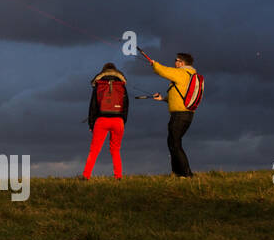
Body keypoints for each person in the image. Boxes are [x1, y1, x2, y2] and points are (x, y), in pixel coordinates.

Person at [138, 48, 199, 178]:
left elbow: (163, 71)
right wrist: (163, 99)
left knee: (174, 143)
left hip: (179, 115)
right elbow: (180, 97)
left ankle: (186, 174)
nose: (175, 62)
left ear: (182, 63)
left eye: (176, 60)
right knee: (173, 142)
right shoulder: (190, 76)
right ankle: (177, 172)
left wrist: (154, 64)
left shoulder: (182, 73)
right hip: (186, 114)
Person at [83, 63, 128, 179]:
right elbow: (126, 106)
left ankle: (86, 176)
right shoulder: (121, 85)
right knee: (115, 150)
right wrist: (123, 121)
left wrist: (91, 124)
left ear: (103, 72)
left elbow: (93, 106)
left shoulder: (99, 85)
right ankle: (118, 176)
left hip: (101, 120)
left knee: (94, 150)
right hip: (118, 120)